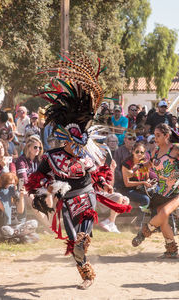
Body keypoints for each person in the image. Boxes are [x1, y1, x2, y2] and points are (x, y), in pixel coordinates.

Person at [25, 54, 128, 290]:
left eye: (80, 142)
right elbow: (35, 180)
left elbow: (100, 172)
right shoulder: (51, 156)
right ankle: (87, 275)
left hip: (86, 195)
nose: (77, 146)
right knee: (73, 242)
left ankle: (85, 249)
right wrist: (44, 189)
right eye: (73, 142)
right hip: (67, 202)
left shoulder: (86, 154)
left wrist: (104, 183)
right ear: (65, 138)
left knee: (82, 235)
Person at [132, 123, 179, 258]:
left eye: (158, 136)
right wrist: (139, 166)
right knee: (163, 220)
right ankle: (171, 250)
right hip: (162, 191)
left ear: (167, 135)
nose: (155, 139)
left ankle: (143, 233)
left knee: (164, 212)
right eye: (155, 136)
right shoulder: (156, 151)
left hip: (177, 190)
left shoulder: (175, 150)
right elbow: (149, 164)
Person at [0, 172, 39, 243]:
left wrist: (21, 196)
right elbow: (5, 209)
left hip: (16, 226)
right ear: (3, 184)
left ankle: (15, 238)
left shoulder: (16, 194)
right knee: (7, 230)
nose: (13, 186)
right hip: (2, 226)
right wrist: (10, 194)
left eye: (14, 184)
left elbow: (20, 211)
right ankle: (21, 237)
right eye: (10, 184)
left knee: (34, 223)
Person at [15, 136, 51, 232]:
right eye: (35, 147)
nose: (38, 150)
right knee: (33, 199)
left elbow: (44, 176)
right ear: (28, 147)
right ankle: (50, 227)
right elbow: (24, 179)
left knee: (49, 195)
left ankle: (47, 224)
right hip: (24, 189)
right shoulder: (21, 160)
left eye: (39, 148)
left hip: (36, 187)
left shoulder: (38, 160)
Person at [121, 141, 151, 228]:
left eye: (142, 152)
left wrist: (149, 182)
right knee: (146, 199)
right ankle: (138, 225)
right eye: (137, 151)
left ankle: (155, 224)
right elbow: (127, 184)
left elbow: (147, 178)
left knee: (157, 195)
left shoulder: (144, 163)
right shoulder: (127, 164)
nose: (139, 154)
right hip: (127, 190)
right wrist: (142, 183)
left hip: (140, 189)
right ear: (133, 151)